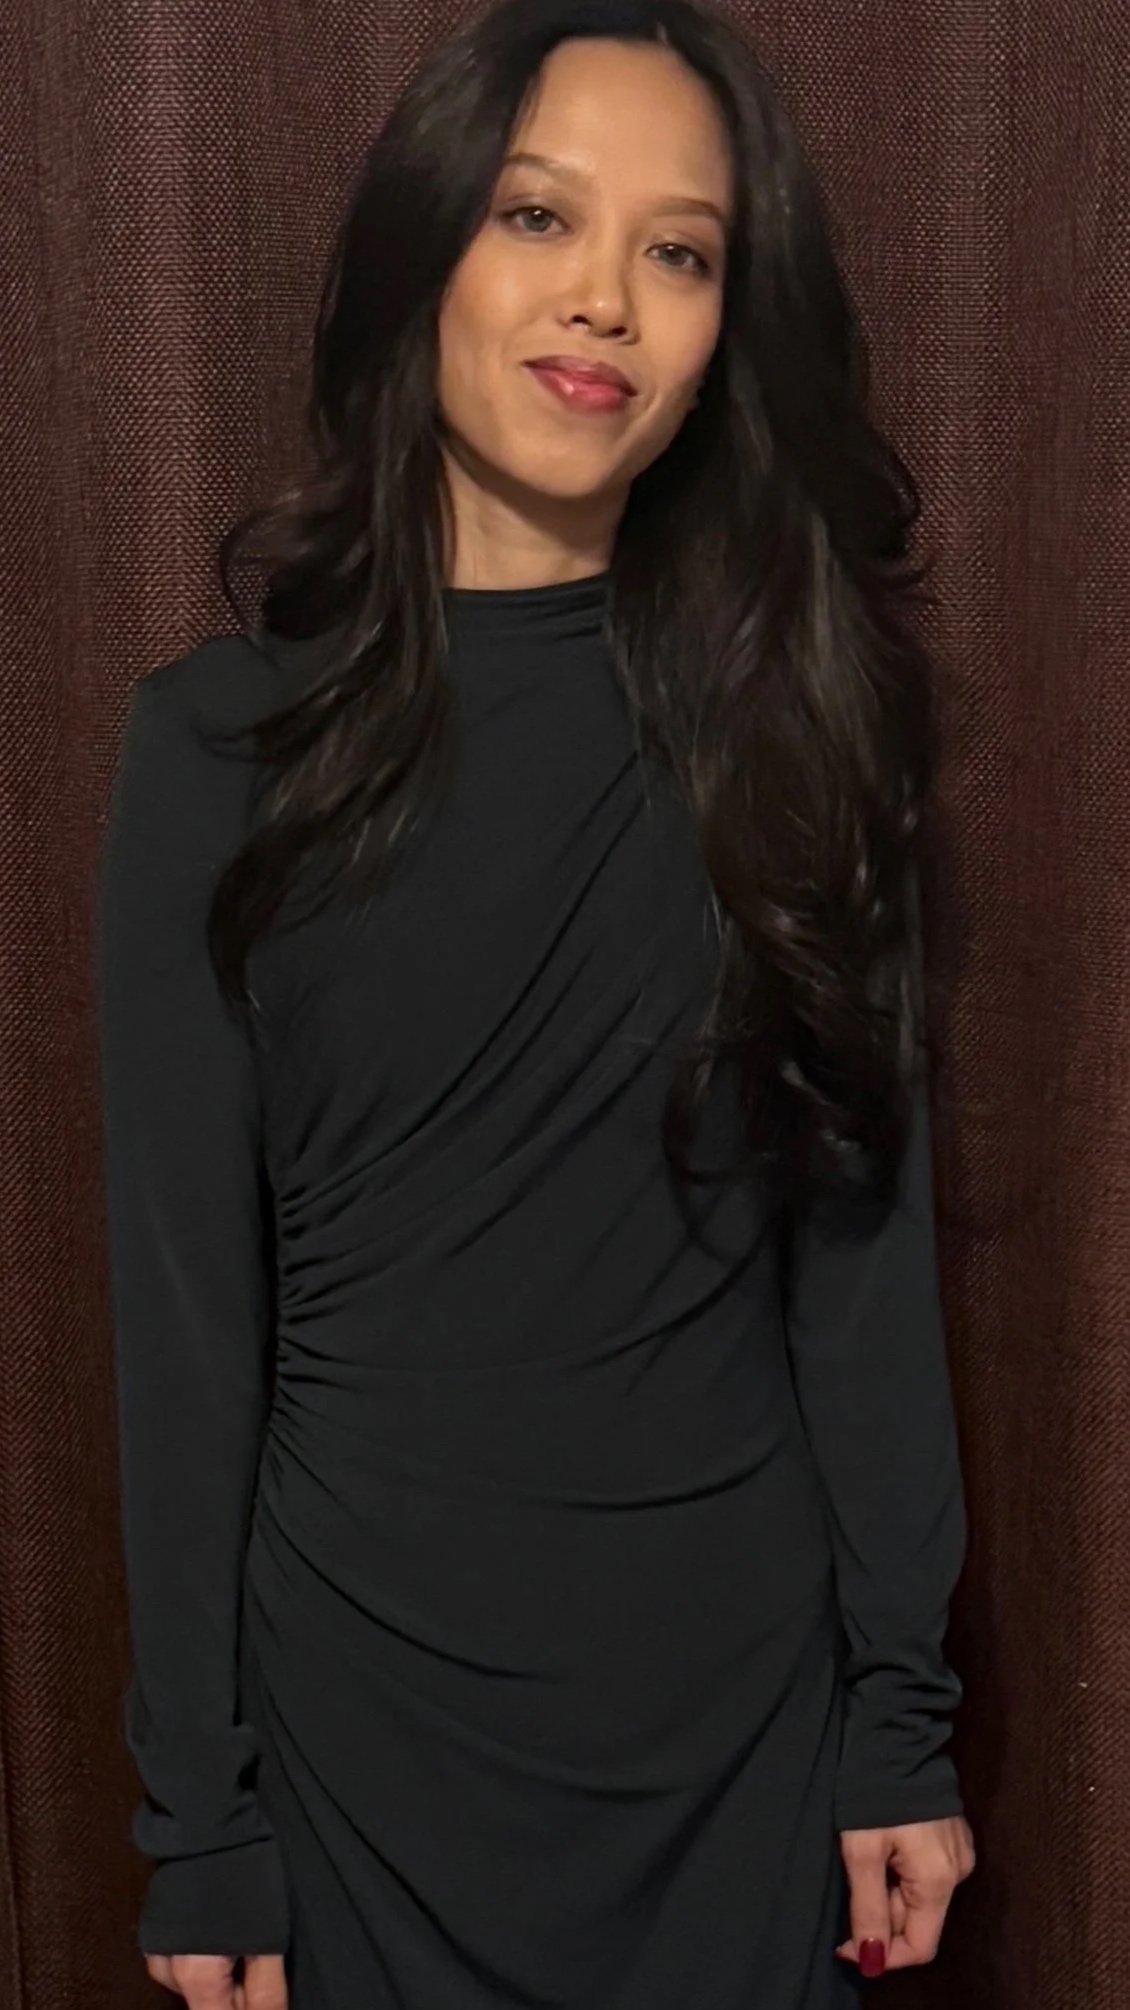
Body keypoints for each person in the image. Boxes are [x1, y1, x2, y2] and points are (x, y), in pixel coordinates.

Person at [95, 1, 976, 2005]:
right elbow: (182, 1330)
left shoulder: (801, 740)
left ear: (723, 334)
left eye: (679, 252)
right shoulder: (212, 753)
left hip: (740, 1746)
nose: (604, 299)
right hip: (354, 1753)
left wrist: (895, 1720)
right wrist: (200, 1821)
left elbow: (858, 1268)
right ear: (424, 253)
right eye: (537, 216)